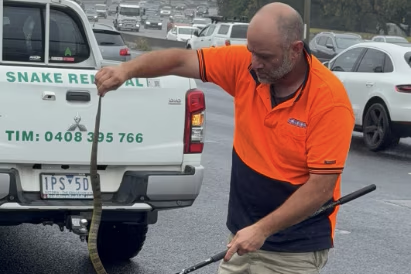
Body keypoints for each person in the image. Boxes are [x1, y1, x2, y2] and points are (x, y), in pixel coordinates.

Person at [95, 2, 355, 274]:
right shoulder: (247, 65)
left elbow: (321, 188)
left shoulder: (329, 102)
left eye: (264, 56)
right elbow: (180, 60)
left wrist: (262, 229)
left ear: (296, 50)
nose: (254, 63)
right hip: (242, 239)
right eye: (251, 52)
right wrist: (126, 71)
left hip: (293, 252)